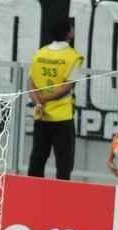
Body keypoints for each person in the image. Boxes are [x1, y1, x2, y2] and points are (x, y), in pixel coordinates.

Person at [26, 19, 83, 181]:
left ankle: (32, 194)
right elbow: (67, 87)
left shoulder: (40, 53)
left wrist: (38, 102)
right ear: (69, 33)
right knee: (64, 162)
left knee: (37, 158)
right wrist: (46, 98)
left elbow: (30, 82)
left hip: (40, 114)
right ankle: (61, 198)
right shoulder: (73, 57)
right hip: (62, 117)